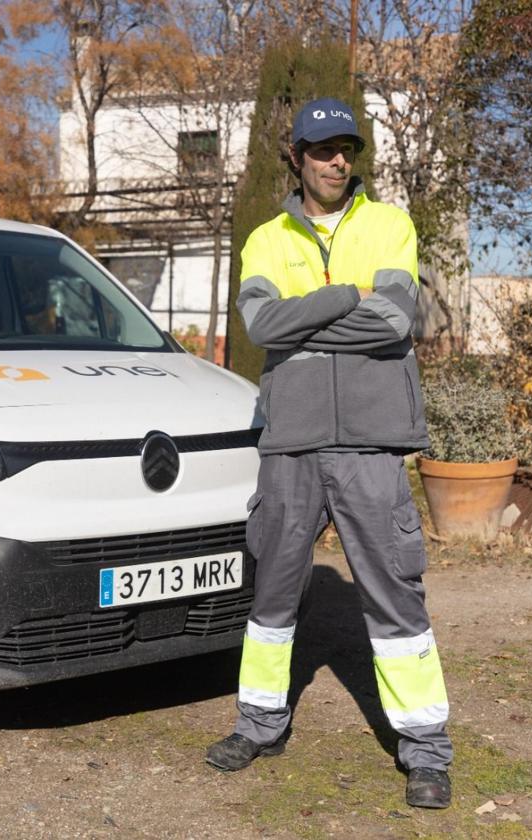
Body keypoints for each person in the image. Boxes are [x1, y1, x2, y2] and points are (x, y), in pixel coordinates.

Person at [205, 98, 452, 809]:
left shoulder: (390, 224)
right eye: (321, 149)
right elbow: (261, 323)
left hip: (371, 442)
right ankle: (258, 724)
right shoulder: (265, 238)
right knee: (274, 591)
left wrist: (306, 320)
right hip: (290, 441)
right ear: (297, 157)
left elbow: (393, 321)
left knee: (394, 592)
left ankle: (426, 749)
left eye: (346, 147)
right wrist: (347, 294)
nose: (336, 160)